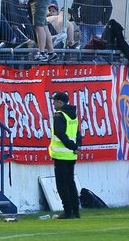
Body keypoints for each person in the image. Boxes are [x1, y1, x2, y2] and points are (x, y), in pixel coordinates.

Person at [49, 91, 81, 220]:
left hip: (61, 154)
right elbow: (78, 134)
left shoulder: (59, 115)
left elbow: (60, 134)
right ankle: (75, 211)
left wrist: (73, 146)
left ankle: (67, 211)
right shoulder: (73, 115)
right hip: (71, 154)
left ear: (60, 102)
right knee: (71, 183)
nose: (53, 103)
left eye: (55, 101)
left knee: (62, 185)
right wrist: (77, 147)